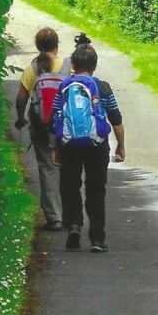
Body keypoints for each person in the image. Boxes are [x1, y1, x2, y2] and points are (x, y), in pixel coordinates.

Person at [51, 38, 125, 253]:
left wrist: (56, 148)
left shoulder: (64, 87)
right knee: (96, 189)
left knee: (70, 185)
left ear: (72, 65)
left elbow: (56, 118)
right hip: (97, 144)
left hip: (69, 144)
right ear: (95, 65)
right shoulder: (102, 87)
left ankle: (74, 225)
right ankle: (97, 239)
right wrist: (121, 145)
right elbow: (116, 119)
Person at [14, 27, 69, 231]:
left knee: (47, 168)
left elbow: (21, 100)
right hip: (64, 127)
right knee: (67, 167)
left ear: (37, 46)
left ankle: (54, 217)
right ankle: (71, 214)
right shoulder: (68, 66)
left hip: (41, 125)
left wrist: (21, 119)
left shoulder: (32, 69)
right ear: (57, 45)